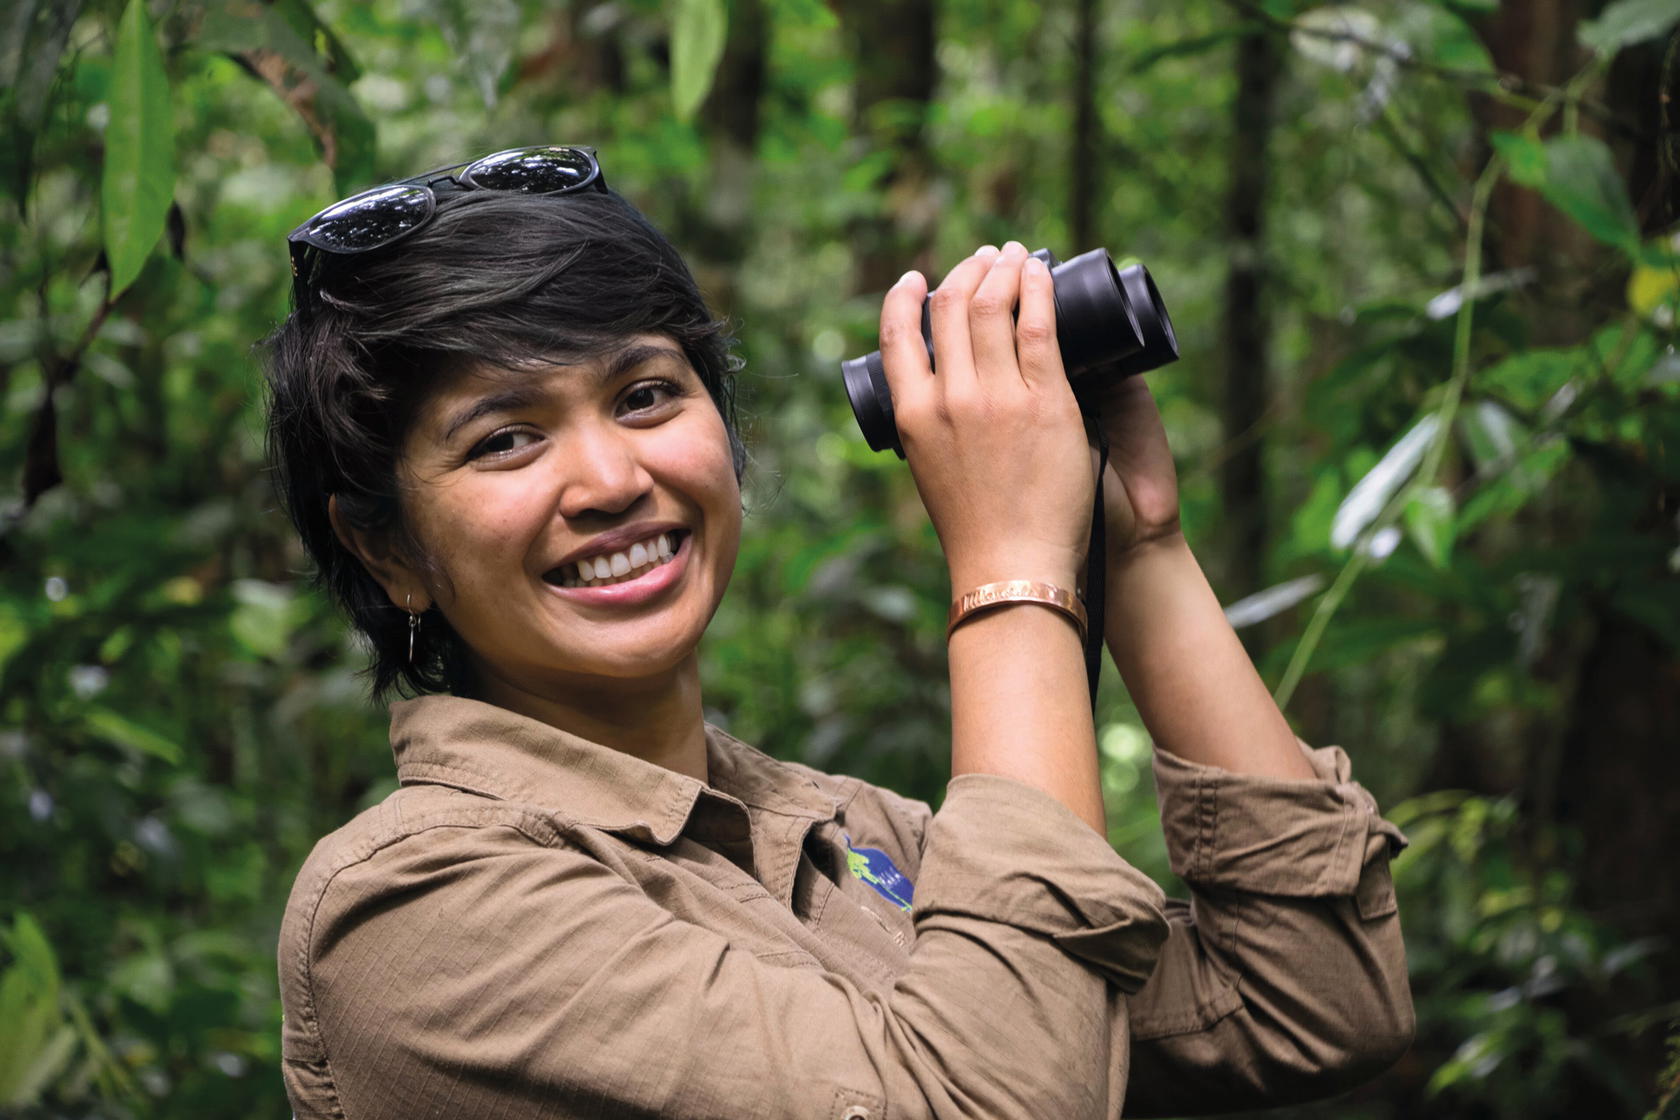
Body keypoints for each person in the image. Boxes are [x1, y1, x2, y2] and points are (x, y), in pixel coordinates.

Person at [267, 145, 1413, 1120]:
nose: (613, 478)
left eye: (647, 394)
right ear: (388, 548)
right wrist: (1012, 570)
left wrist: (1137, 543)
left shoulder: (844, 835)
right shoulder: (415, 907)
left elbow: (1313, 997)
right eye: (504, 439)